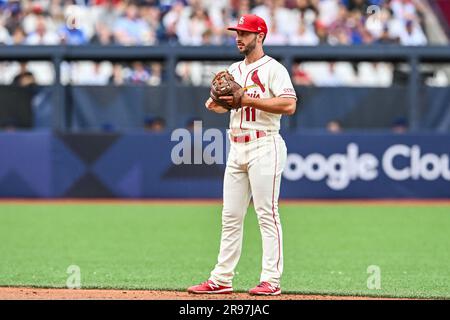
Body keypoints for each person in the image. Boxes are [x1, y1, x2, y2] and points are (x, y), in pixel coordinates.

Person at [187, 14, 297, 296]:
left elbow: (288, 104)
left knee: (266, 214)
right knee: (230, 216)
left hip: (265, 144)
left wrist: (245, 99)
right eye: (237, 32)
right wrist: (218, 104)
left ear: (260, 37)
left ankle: (271, 280)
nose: (239, 37)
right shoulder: (234, 69)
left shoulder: (274, 69)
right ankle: (221, 278)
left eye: (245, 33)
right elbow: (230, 105)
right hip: (236, 145)